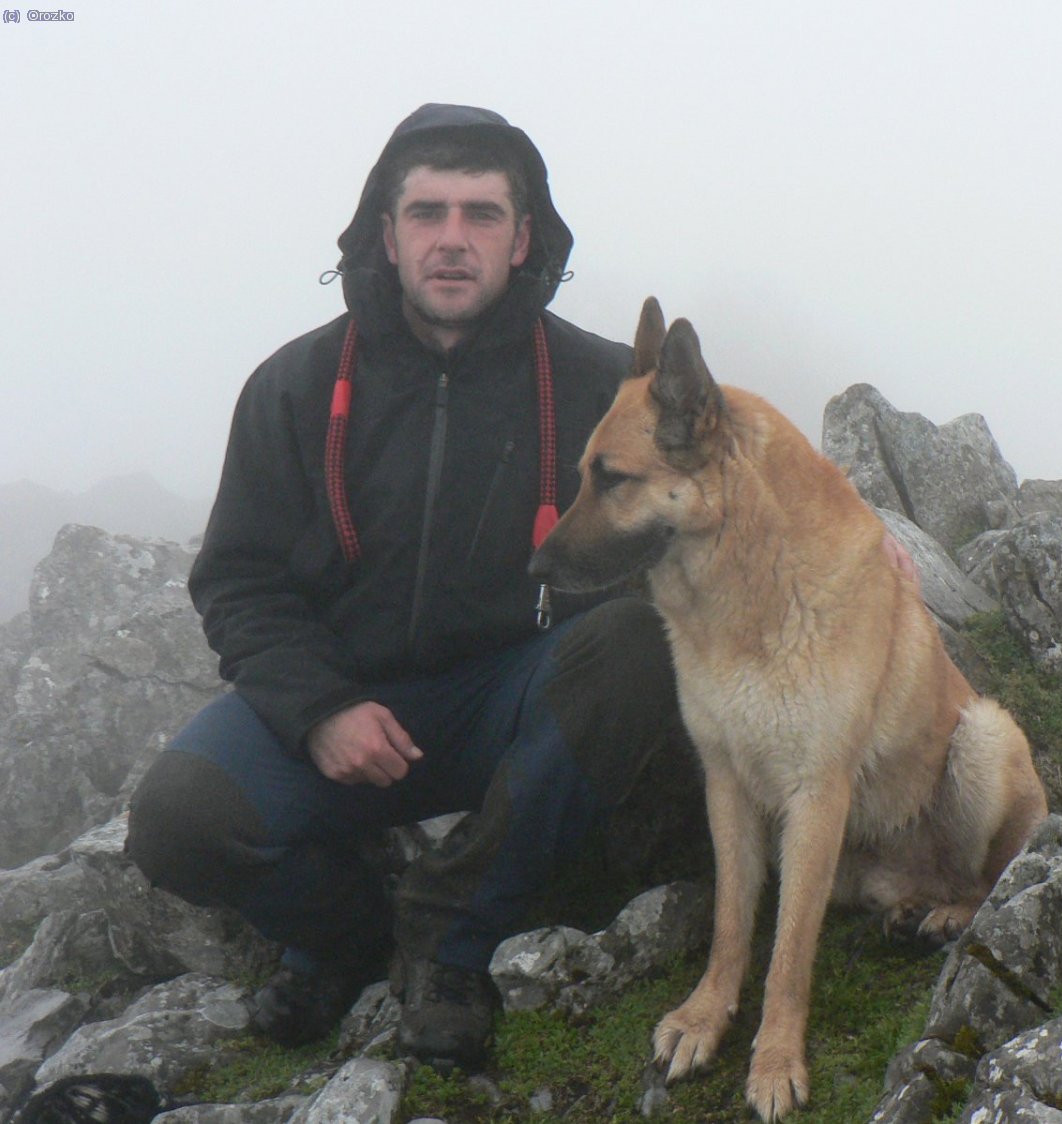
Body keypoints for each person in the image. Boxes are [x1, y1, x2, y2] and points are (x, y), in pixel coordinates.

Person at [126, 104, 691, 1070]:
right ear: (385, 236)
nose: (452, 240)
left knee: (638, 647)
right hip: (340, 705)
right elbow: (239, 579)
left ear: (524, 239)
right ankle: (349, 933)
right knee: (177, 818)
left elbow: (729, 478)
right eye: (427, 213)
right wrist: (320, 710)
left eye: (481, 214)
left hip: (512, 701)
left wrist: (863, 541)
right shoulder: (294, 386)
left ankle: (450, 937)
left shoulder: (601, 381)